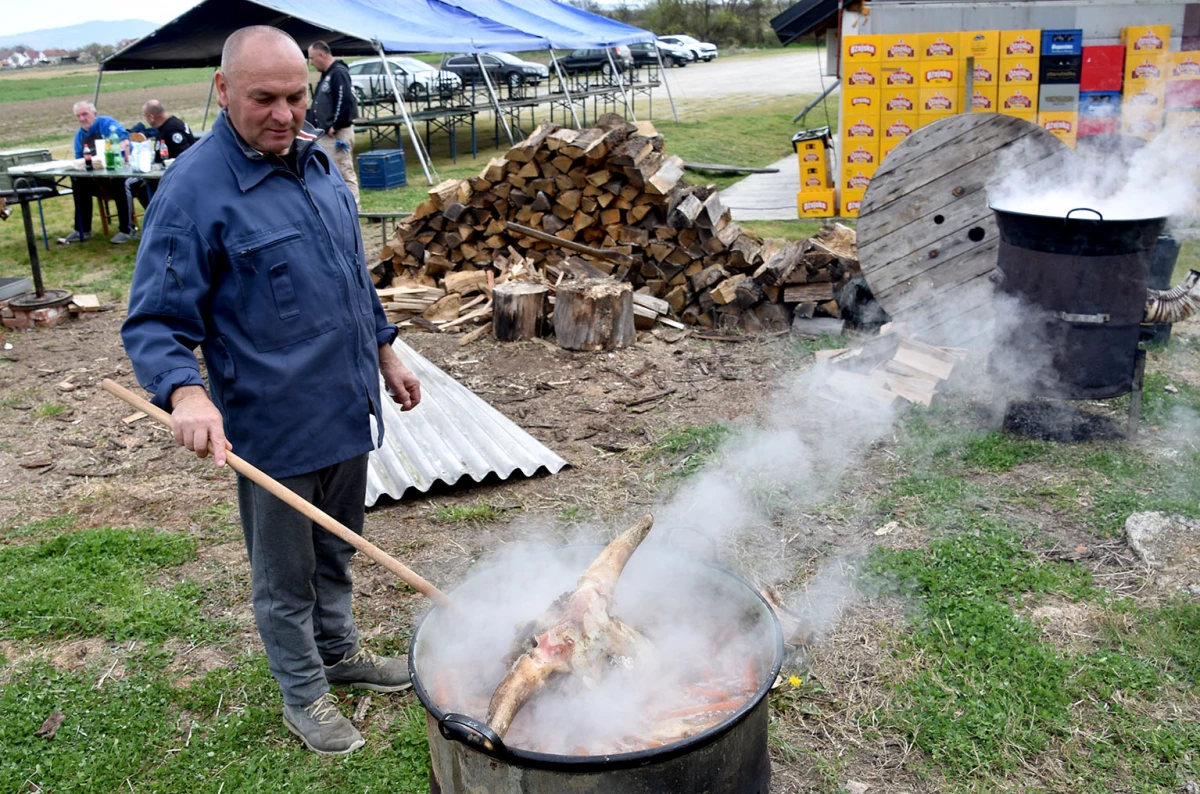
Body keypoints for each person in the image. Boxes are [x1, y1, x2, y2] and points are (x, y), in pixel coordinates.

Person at [120, 25, 422, 757]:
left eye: (296, 95)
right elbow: (155, 321)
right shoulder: (193, 192)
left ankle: (339, 651)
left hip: (347, 406)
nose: (286, 114)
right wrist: (186, 396)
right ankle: (303, 692)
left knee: (338, 547)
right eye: (265, 99)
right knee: (284, 576)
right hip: (273, 427)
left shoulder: (319, 166)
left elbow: (352, 278)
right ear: (224, 91)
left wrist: (385, 349)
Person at [65, 101, 135, 244]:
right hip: (98, 177)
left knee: (120, 182)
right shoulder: (79, 136)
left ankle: (127, 230)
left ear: (94, 114)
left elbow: (124, 141)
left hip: (121, 172)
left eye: (85, 114)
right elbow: (79, 159)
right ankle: (82, 229)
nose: (82, 119)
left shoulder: (106, 124)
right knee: (78, 183)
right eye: (78, 116)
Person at [306, 41, 360, 206]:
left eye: (312, 58)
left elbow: (345, 102)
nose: (311, 63)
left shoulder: (338, 73)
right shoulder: (327, 75)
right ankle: (338, 207)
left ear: (321, 55)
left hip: (338, 133)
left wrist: (335, 125)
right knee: (331, 172)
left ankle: (354, 208)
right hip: (327, 133)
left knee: (344, 171)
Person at [125, 100, 197, 214]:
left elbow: (185, 155)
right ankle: (159, 216)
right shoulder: (165, 127)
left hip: (177, 177)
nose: (145, 119)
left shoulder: (172, 129)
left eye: (145, 116)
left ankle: (128, 229)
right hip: (167, 176)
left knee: (128, 184)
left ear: (152, 117)